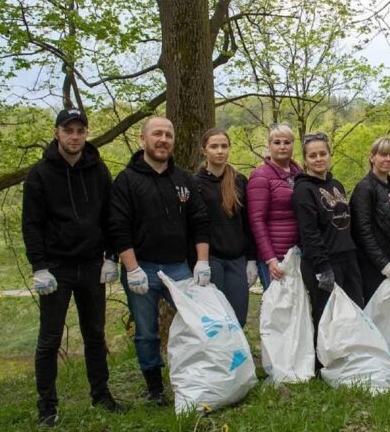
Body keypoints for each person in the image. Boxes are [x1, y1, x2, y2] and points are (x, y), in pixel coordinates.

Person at [22, 108, 123, 426]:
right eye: (69, 130)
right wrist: (39, 266)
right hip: (56, 268)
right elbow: (31, 224)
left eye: (80, 130)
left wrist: (111, 257)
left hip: (92, 265)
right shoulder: (39, 174)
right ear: (57, 133)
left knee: (95, 334)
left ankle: (101, 395)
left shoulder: (98, 170)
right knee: (49, 339)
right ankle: (47, 405)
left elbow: (111, 217)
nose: (75, 136)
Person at [109, 116, 211, 405]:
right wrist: (132, 269)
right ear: (143, 139)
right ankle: (155, 389)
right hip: (142, 267)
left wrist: (201, 262)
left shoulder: (184, 180)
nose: (163, 139)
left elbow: (200, 223)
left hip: (179, 266)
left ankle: (195, 377)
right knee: (146, 332)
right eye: (157, 134)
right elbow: (118, 227)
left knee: (195, 323)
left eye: (168, 134)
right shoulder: (126, 181)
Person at [292, 132, 364, 345]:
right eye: (312, 155)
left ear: (329, 155)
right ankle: (322, 363)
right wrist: (323, 268)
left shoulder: (337, 185)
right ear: (305, 160)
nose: (318, 159)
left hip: (348, 258)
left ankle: (349, 357)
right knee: (326, 314)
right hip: (324, 262)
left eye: (322, 153)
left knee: (352, 311)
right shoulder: (303, 190)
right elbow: (309, 233)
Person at [196, 129, 257, 326]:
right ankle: (216, 357)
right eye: (214, 146)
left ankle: (236, 356)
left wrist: (252, 259)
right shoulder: (195, 183)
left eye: (224, 146)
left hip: (237, 258)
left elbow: (249, 222)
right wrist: (198, 261)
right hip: (211, 258)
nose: (220, 151)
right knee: (216, 318)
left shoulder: (239, 180)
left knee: (238, 317)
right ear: (204, 150)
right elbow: (196, 225)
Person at [351, 137, 390, 305]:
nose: (388, 159)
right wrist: (383, 265)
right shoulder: (365, 188)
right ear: (372, 157)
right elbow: (363, 232)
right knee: (380, 314)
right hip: (376, 267)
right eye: (383, 154)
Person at [247, 123, 302, 289]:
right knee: (278, 310)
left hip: (298, 253)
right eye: (277, 142)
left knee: (299, 309)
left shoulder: (300, 175)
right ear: (269, 145)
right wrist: (270, 258)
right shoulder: (261, 176)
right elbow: (256, 220)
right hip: (275, 256)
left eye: (287, 142)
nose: (282, 147)